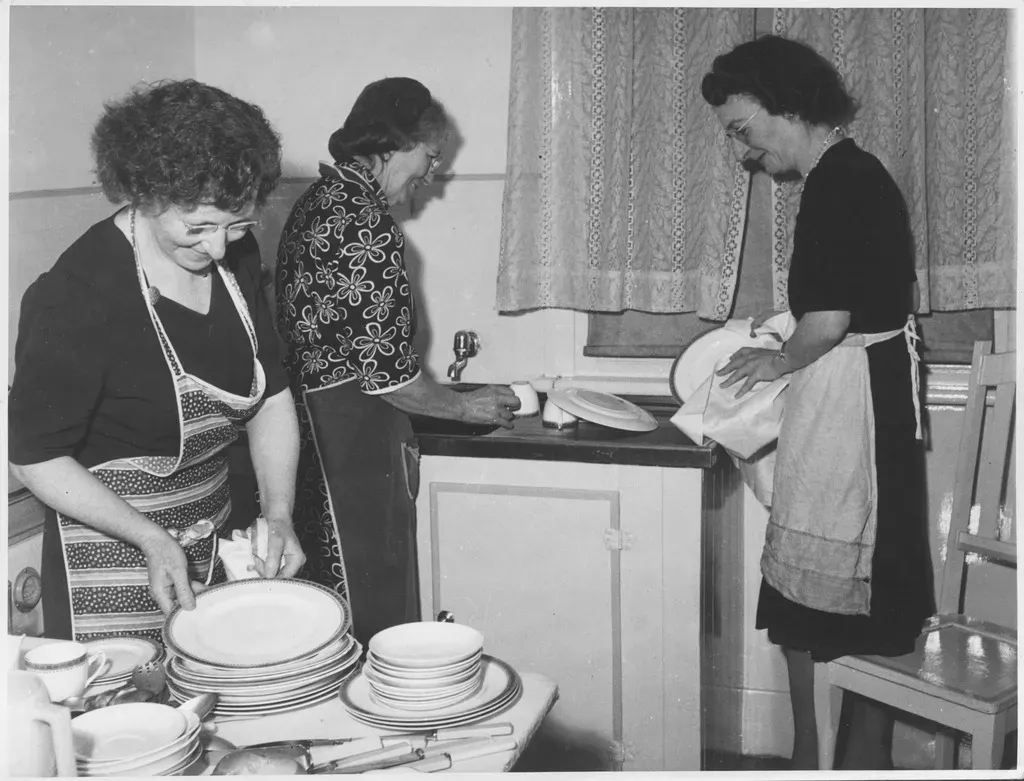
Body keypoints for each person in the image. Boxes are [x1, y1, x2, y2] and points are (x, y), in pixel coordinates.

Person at [702, 36, 932, 770]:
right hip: (867, 393)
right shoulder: (849, 174)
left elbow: (828, 321)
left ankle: (821, 762)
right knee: (844, 608)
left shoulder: (840, 180)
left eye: (743, 128)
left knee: (833, 609)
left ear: (791, 106)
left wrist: (776, 357)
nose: (741, 149)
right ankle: (837, 760)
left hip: (853, 408)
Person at [8, 79, 306, 646]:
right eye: (197, 228)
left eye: (237, 224)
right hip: (109, 558)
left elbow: (270, 396)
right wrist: (149, 537)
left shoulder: (234, 259)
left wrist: (279, 513)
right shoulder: (77, 294)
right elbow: (32, 459)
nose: (219, 249)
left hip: (210, 535)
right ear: (144, 194)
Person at [275, 77, 520, 646]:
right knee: (371, 611)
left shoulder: (320, 201)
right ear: (390, 145)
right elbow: (389, 376)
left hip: (315, 432)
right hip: (349, 437)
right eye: (429, 158)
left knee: (329, 611)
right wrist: (465, 406)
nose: (431, 174)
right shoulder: (364, 220)